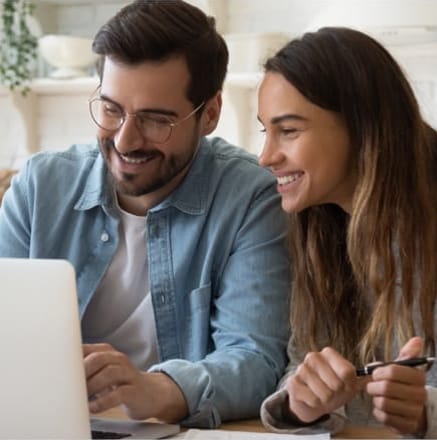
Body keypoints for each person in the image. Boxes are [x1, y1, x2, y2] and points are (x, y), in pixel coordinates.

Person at [0, 0, 291, 429]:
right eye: (111, 108)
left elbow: (256, 360)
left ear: (209, 113)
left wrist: (156, 390)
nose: (125, 140)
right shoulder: (40, 186)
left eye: (156, 120)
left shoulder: (250, 198)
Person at [257, 27, 437, 437]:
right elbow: (302, 361)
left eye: (288, 131)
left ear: (361, 126)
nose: (265, 156)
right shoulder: (320, 226)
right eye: (264, 130)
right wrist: (302, 403)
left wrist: (429, 411)